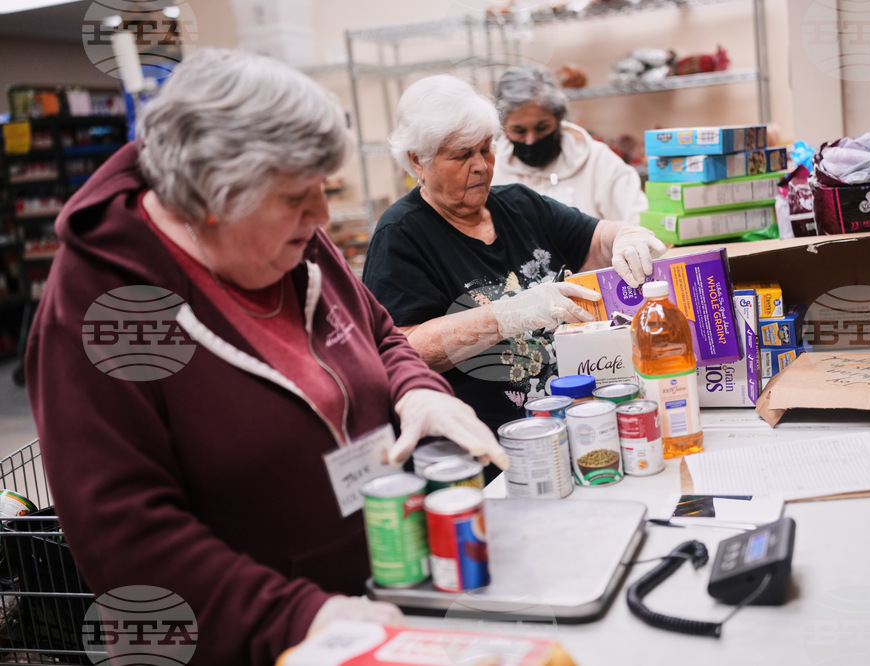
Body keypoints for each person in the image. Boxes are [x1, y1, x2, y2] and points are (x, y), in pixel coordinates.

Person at [25, 49, 506, 666]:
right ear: (209, 198)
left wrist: (417, 391)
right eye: (297, 197)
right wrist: (300, 618)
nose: (321, 216)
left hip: (383, 590)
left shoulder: (292, 238)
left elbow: (380, 335)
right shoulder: (101, 308)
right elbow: (125, 535)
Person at [362, 74, 666, 436]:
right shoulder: (401, 234)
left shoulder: (522, 205)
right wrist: (507, 316)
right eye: (462, 155)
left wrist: (624, 236)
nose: (481, 165)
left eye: (485, 149)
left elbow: (597, 240)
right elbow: (401, 348)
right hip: (486, 442)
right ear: (417, 161)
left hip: (573, 422)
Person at [491, 64, 648, 225]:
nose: (531, 141)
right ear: (502, 126)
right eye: (519, 131)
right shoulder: (493, 169)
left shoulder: (598, 162)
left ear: (559, 117)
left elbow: (639, 224)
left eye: (542, 128)